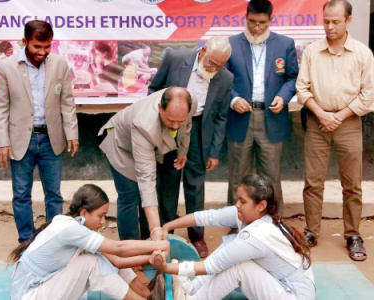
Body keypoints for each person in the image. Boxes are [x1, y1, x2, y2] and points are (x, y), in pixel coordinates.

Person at [149, 174, 315, 300]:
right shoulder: (251, 215)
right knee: (232, 248)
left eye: (242, 201)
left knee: (239, 266)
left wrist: (166, 267)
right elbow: (206, 217)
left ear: (261, 206)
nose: (237, 204)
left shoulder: (258, 235)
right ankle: (192, 288)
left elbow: (210, 266)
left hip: (295, 295)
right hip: (280, 285)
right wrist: (168, 226)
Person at [296, 0, 374, 261]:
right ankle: (311, 232)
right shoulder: (311, 51)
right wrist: (321, 114)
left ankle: (352, 234)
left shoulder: (363, 54)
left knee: (352, 184)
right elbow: (302, 89)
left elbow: (368, 95)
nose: (329, 26)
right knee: (313, 183)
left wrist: (338, 116)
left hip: (349, 123)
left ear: (348, 21)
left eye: (335, 21)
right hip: (318, 123)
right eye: (326, 20)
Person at [0, 20, 79, 243]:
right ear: (25, 42)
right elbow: (0, 107)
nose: (42, 52)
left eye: (47, 47)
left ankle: (53, 241)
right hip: (21, 140)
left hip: (52, 139)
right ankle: (26, 242)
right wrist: (2, 141)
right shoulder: (6, 67)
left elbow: (67, 102)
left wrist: (72, 133)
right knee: (21, 195)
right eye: (37, 47)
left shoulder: (59, 64)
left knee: (54, 195)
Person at [148, 36, 233, 258]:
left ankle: (197, 236)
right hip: (170, 126)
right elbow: (154, 89)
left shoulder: (225, 78)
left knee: (195, 187)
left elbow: (221, 118)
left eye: (219, 66)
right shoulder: (175, 58)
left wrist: (214, 151)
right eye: (211, 63)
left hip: (199, 131)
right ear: (203, 51)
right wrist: (159, 121)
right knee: (168, 182)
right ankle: (168, 233)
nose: (214, 69)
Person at [9, 184, 170, 300]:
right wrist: (159, 244)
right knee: (91, 263)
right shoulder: (71, 229)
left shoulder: (79, 228)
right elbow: (119, 248)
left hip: (44, 290)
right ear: (84, 213)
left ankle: (145, 294)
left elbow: (117, 261)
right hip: (30, 295)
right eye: (101, 215)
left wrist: (150, 259)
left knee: (100, 260)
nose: (103, 221)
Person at [226, 0, 299, 218]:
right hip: (240, 118)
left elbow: (292, 77)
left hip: (272, 118)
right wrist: (233, 99)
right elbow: (220, 80)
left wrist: (283, 97)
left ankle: (274, 222)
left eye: (262, 23)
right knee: (238, 175)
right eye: (252, 22)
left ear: (270, 20)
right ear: (245, 17)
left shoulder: (284, 44)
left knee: (271, 176)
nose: (256, 28)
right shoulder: (231, 44)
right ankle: (237, 222)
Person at [98, 86, 197, 242]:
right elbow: (146, 178)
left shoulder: (190, 101)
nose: (176, 126)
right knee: (130, 196)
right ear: (160, 108)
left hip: (148, 146)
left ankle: (148, 240)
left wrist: (182, 151)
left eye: (180, 120)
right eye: (171, 120)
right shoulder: (144, 124)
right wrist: (157, 228)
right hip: (122, 147)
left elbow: (187, 126)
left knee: (151, 193)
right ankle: (130, 248)